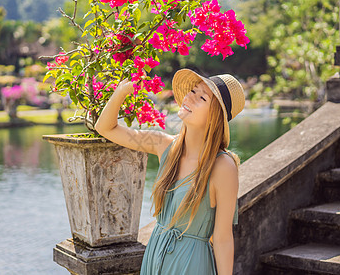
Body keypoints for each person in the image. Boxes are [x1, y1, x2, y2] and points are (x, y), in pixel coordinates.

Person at [95, 68, 245, 275]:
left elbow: (223, 238)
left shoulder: (222, 166)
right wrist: (121, 91)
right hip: (155, 255)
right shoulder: (164, 145)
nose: (189, 98)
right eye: (192, 91)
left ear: (215, 117)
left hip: (191, 264)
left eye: (201, 97)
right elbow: (105, 128)